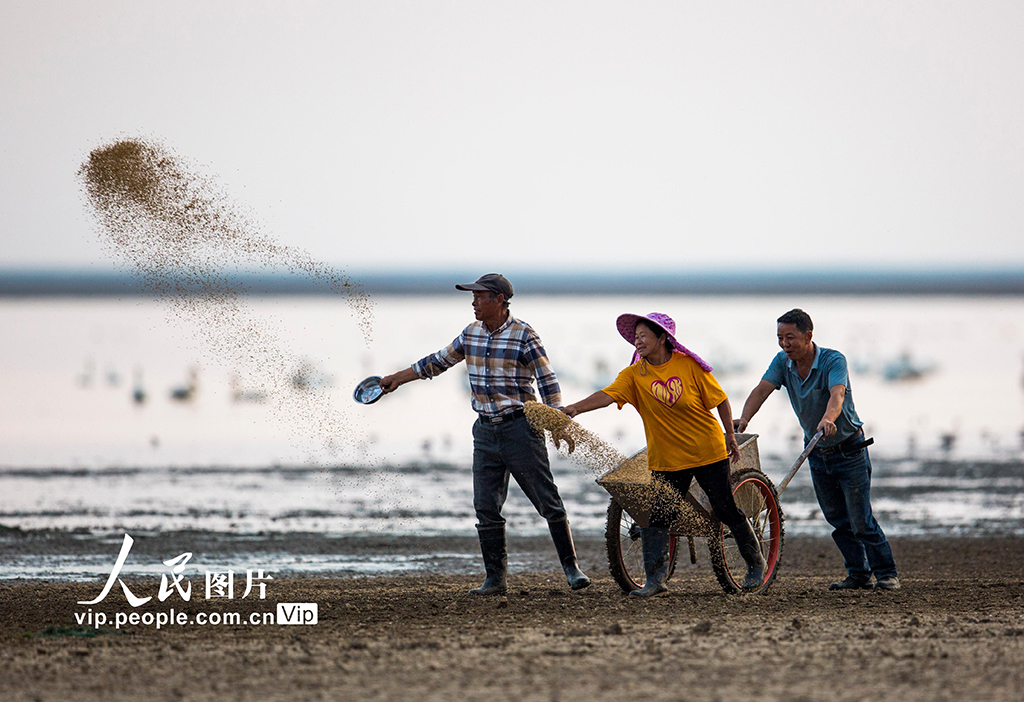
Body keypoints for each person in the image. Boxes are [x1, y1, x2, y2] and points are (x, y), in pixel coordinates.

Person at [379, 273, 590, 595]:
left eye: (479, 297)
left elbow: (547, 380)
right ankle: (495, 580)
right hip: (485, 432)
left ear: (499, 300)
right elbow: (436, 363)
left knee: (547, 501)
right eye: (473, 297)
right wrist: (397, 378)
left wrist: (558, 421)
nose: (473, 302)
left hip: (522, 428)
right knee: (486, 507)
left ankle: (572, 568)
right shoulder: (471, 333)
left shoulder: (524, 335)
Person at [562, 312, 766, 597]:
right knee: (657, 516)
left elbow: (719, 399)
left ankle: (756, 565)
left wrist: (730, 436)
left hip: (706, 451)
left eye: (644, 335)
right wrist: (574, 408)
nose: (638, 341)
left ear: (662, 339)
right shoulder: (634, 375)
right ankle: (655, 581)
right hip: (667, 458)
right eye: (635, 337)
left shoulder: (689, 366)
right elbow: (607, 395)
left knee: (723, 509)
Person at [734, 308, 900, 591]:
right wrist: (744, 419)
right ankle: (858, 574)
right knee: (837, 519)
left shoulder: (833, 360)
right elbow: (761, 389)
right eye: (780, 338)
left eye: (790, 337)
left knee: (861, 520)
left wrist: (827, 419)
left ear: (808, 336)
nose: (785, 344)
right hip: (816, 453)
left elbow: (838, 394)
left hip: (850, 450)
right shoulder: (782, 363)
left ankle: (886, 573)